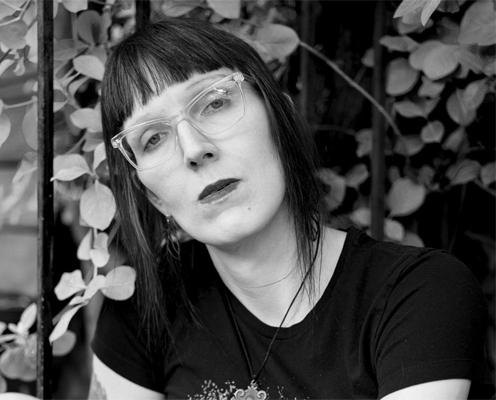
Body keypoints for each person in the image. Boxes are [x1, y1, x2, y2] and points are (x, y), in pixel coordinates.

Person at [90, 18, 492, 400]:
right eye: (153, 138)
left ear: (279, 120)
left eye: (214, 103)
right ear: (154, 197)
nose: (194, 149)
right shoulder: (145, 310)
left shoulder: (421, 294)